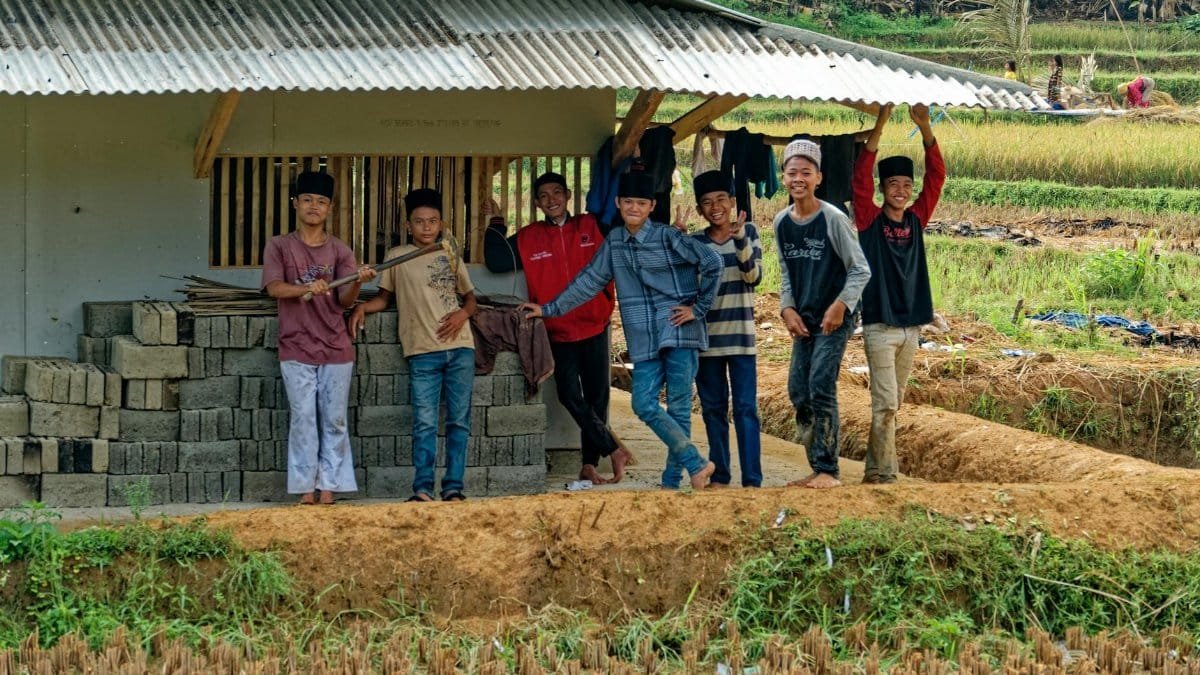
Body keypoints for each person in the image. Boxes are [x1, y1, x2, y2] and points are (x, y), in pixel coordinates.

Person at [521, 172, 723, 490]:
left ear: (651, 206)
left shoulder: (668, 237)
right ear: (618, 203)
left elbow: (712, 263)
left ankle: (674, 481)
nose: (633, 208)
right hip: (643, 338)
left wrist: (697, 309)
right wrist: (548, 309)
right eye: (628, 201)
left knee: (681, 406)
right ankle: (696, 463)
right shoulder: (614, 242)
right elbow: (588, 282)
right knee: (642, 404)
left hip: (678, 331)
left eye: (641, 203)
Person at [483, 172, 633, 485]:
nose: (552, 200)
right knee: (568, 395)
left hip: (594, 326)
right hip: (557, 331)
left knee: (597, 399)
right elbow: (496, 260)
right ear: (536, 203)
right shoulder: (529, 237)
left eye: (557, 193)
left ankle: (590, 464)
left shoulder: (592, 226)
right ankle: (612, 449)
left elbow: (631, 225)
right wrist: (496, 222)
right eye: (544, 196)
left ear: (567, 195)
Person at [350, 188, 477, 503]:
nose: (426, 227)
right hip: (421, 351)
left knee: (459, 421)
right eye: (419, 222)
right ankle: (422, 489)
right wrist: (362, 307)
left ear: (441, 223)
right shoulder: (397, 256)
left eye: (432, 221)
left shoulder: (449, 252)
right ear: (408, 226)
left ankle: (453, 488)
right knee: (424, 422)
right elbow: (383, 298)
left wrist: (462, 314)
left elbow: (471, 299)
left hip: (460, 347)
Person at [262, 171, 376, 505]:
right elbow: (274, 288)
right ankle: (304, 488)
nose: (314, 206)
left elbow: (344, 301)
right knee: (303, 418)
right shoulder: (280, 246)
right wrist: (305, 288)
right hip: (296, 344)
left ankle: (330, 487)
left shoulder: (340, 251)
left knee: (335, 419)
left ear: (330, 208)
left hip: (335, 346)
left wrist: (357, 280)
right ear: (296, 203)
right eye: (308, 199)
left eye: (322, 201)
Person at [852, 104, 945, 485]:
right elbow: (859, 176)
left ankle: (875, 470)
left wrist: (925, 128)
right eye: (894, 185)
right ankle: (886, 474)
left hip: (912, 327)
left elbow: (937, 177)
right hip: (879, 325)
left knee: (893, 404)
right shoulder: (869, 221)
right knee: (885, 402)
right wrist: (882, 122)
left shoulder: (916, 220)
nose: (902, 192)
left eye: (907, 186)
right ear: (882, 189)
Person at [774, 138, 871, 490]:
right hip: (806, 314)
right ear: (782, 177)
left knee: (820, 385)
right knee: (798, 389)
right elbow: (786, 272)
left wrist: (840, 305)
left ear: (818, 177)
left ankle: (829, 470)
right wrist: (786, 308)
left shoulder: (833, 219)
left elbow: (860, 269)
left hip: (836, 314)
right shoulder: (782, 222)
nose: (798, 178)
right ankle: (817, 467)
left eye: (806, 172)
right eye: (791, 172)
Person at [684, 170, 764, 489]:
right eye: (707, 202)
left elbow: (753, 277)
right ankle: (720, 475)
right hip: (706, 342)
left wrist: (740, 238)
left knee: (746, 409)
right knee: (713, 409)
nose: (715, 207)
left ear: (732, 202)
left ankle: (753, 480)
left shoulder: (750, 233)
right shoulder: (693, 243)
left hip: (742, 341)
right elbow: (687, 287)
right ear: (700, 209)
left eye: (721, 200)